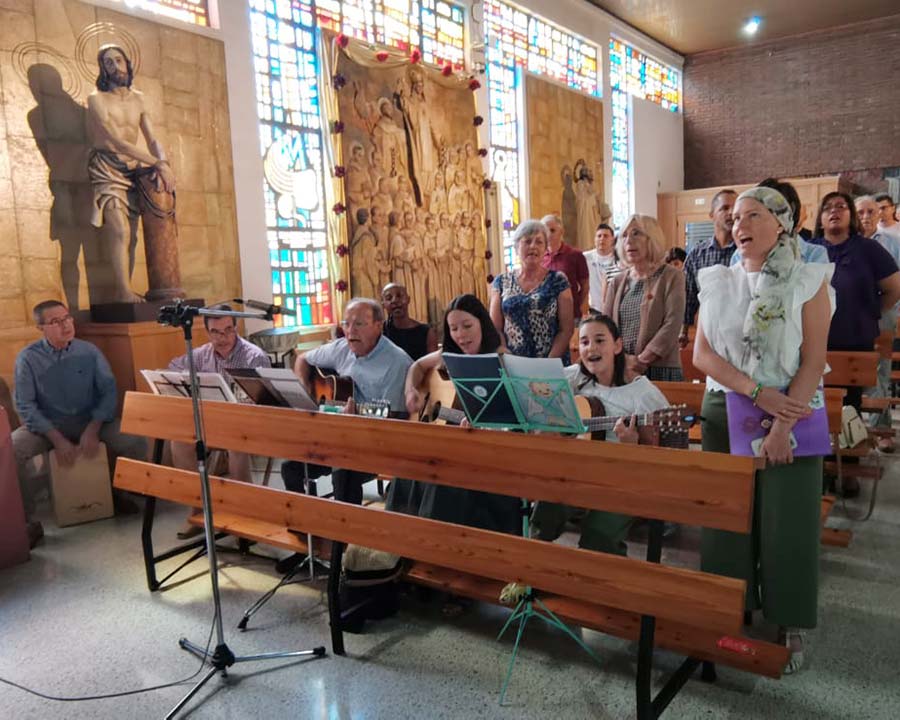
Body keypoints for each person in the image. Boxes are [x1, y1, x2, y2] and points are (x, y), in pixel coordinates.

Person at [693, 186, 835, 674]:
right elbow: (702, 355)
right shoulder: (718, 280)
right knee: (728, 521)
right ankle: (730, 609)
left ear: (783, 223)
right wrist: (756, 393)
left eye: (753, 215)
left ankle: (788, 619)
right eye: (734, 218)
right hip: (726, 409)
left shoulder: (810, 279)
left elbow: (814, 359)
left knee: (787, 523)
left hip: (793, 414)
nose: (740, 226)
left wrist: (781, 423)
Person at [531, 314, 669, 556]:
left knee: (598, 539)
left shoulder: (643, 394)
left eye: (599, 340)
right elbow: (535, 395)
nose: (591, 348)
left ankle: (599, 587)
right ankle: (534, 573)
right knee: (544, 511)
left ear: (616, 346)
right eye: (584, 342)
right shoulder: (575, 377)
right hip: (579, 473)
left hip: (623, 481)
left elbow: (663, 459)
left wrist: (632, 445)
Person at [13, 300, 148, 545]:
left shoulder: (89, 351)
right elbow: (25, 405)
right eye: (56, 321)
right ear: (40, 328)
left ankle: (118, 494)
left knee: (134, 438)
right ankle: (26, 521)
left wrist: (93, 429)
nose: (66, 325)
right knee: (12, 449)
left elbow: (108, 392)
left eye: (67, 318)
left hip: (89, 421)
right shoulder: (27, 359)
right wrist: (55, 438)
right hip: (46, 427)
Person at [392, 294, 519, 535]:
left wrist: (485, 426)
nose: (461, 335)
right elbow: (416, 367)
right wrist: (411, 391)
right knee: (406, 467)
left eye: (467, 326)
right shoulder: (449, 355)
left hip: (492, 451)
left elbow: (515, 415)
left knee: (440, 476)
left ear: (482, 323)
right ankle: (401, 541)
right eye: (454, 328)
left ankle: (433, 542)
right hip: (453, 441)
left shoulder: (503, 359)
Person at [294, 298, 412, 505]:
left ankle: (345, 532)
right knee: (291, 464)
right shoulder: (341, 348)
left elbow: (395, 417)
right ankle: (304, 524)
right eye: (346, 324)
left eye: (359, 324)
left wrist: (357, 417)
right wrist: (306, 392)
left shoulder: (397, 362)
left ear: (379, 326)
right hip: (337, 434)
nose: (350, 331)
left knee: (344, 468)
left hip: (378, 440)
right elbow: (302, 359)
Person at [168, 303, 271, 539]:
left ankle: (245, 514)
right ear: (207, 332)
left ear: (236, 328)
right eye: (215, 332)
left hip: (246, 425)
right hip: (212, 423)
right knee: (180, 443)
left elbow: (261, 402)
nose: (222, 337)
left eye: (227, 330)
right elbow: (172, 368)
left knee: (236, 445)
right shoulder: (201, 354)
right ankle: (199, 511)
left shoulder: (254, 356)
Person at [86, 44, 175, 303]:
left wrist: (164, 161)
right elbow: (115, 142)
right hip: (106, 166)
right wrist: (157, 164)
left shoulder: (139, 98)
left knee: (133, 234)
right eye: (108, 62)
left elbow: (152, 138)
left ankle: (126, 289)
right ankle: (122, 291)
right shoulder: (96, 99)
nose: (115, 66)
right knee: (119, 231)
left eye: (118, 60)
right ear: (103, 69)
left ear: (127, 62)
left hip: (133, 169)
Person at [808, 192, 900, 412]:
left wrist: (868, 313)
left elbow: (894, 289)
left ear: (851, 215)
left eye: (841, 206)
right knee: (813, 409)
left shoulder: (868, 249)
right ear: (820, 217)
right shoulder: (808, 251)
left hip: (854, 340)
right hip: (813, 343)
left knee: (849, 413)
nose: (834, 211)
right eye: (828, 207)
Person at [602, 215, 685, 381]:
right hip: (623, 368)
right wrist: (624, 361)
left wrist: (640, 361)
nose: (628, 241)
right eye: (624, 235)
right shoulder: (618, 281)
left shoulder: (672, 276)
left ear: (652, 238)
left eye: (636, 233)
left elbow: (672, 325)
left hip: (660, 370)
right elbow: (605, 326)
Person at [854, 194, 900, 452]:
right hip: (852, 316)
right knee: (850, 372)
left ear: (879, 214)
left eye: (871, 212)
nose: (866, 217)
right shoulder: (849, 244)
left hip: (882, 313)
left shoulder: (892, 243)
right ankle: (852, 429)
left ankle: (881, 430)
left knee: (879, 372)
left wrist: (879, 311)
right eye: (860, 212)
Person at [490, 220, 574, 359]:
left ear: (546, 249)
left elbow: (566, 329)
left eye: (539, 242)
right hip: (514, 362)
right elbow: (496, 328)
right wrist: (505, 355)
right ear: (517, 247)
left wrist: (548, 363)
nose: (533, 246)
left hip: (551, 361)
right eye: (527, 242)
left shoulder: (558, 280)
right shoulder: (501, 282)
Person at [679, 189, 738, 348]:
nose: (731, 213)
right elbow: (688, 296)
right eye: (725, 208)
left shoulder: (745, 250)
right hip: (709, 333)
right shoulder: (697, 254)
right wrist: (683, 331)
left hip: (740, 332)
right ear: (712, 214)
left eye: (735, 208)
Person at [729, 179, 828, 267]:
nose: (741, 225)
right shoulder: (738, 256)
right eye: (737, 218)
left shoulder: (814, 255)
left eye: (754, 215)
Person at [541, 214, 590, 320]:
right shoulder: (539, 256)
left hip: (571, 313)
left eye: (552, 230)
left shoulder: (575, 255)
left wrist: (582, 307)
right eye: (545, 231)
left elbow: (585, 284)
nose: (548, 235)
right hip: (546, 315)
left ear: (561, 231)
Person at [381, 282, 437, 361]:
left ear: (408, 299)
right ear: (383, 304)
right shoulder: (379, 331)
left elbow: (433, 366)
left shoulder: (427, 332)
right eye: (389, 298)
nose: (394, 300)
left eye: (399, 296)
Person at [584, 223, 621, 312]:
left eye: (605, 236)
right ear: (594, 240)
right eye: (599, 236)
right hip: (594, 309)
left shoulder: (619, 259)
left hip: (615, 308)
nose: (602, 239)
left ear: (612, 240)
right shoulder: (585, 258)